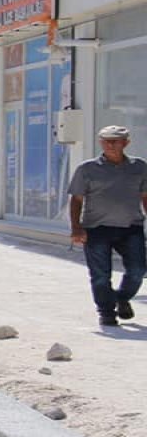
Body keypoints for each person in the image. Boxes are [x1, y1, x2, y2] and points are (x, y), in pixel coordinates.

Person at [68, 125, 147, 327]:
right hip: (97, 228)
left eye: (116, 140)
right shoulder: (87, 169)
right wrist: (76, 227)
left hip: (131, 226)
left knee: (138, 270)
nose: (110, 145)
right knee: (101, 275)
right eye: (106, 140)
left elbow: (145, 196)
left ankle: (121, 297)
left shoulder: (139, 167)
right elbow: (77, 199)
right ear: (100, 143)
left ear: (126, 143)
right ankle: (106, 312)